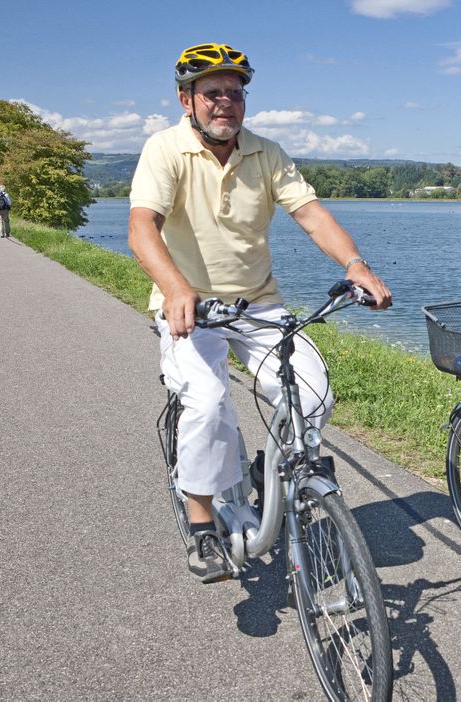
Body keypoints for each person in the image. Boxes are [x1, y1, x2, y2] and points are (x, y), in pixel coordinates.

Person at [128, 42, 392, 583]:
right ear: (186, 100)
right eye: (211, 93)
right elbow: (141, 227)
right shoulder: (165, 150)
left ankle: (265, 470)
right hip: (192, 308)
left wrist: (356, 264)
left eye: (235, 92)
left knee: (313, 395)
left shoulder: (267, 153)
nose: (224, 102)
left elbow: (311, 215)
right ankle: (202, 523)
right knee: (207, 403)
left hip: (259, 304)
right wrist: (176, 288)